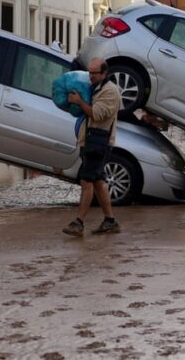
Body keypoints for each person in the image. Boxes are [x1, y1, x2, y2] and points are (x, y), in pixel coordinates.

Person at [62, 58, 122, 236]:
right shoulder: (96, 88)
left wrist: (80, 102)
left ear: (104, 73)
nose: (91, 76)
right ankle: (110, 221)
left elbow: (97, 114)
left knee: (86, 181)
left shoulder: (111, 92)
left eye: (94, 73)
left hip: (99, 143)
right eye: (89, 72)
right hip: (90, 141)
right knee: (98, 182)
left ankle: (78, 223)